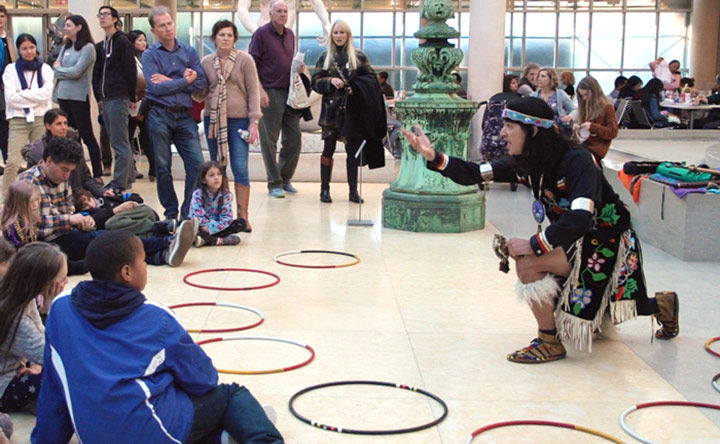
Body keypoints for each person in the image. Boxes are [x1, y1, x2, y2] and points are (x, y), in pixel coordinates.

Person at [402, 97, 679, 362]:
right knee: (604, 301)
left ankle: (548, 342)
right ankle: (662, 305)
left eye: (510, 127)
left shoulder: (578, 160)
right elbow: (474, 174)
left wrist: (534, 244)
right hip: (575, 238)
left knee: (529, 264)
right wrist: (434, 157)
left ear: (533, 130)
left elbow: (581, 217)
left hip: (606, 241)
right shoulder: (529, 162)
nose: (502, 134)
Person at [32, 230, 284, 443]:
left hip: (93, 434)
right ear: (127, 272)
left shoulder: (60, 309)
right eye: (144, 261)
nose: (147, 267)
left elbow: (54, 386)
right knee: (231, 395)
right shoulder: (156, 318)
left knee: (163, 389)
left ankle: (220, 437)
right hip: (149, 431)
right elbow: (204, 379)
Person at [16, 136, 195, 273]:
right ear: (48, 161)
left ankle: (160, 255)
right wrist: (71, 219)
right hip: (45, 244)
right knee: (104, 243)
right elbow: (30, 225)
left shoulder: (61, 179)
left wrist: (80, 219)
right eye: (64, 170)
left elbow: (68, 208)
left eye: (70, 171)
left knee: (108, 238)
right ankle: (166, 242)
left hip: (69, 231)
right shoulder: (27, 182)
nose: (67, 175)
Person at [142, 6, 206, 221]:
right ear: (154, 30)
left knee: (197, 165)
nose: (168, 28)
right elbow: (155, 88)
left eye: (170, 23)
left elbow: (200, 83)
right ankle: (170, 212)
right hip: (159, 114)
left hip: (185, 115)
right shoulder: (150, 54)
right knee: (162, 167)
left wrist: (172, 81)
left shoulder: (188, 51)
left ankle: (187, 214)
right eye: (162, 25)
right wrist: (185, 80)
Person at [196, 19, 260, 232]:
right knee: (218, 168)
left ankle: (243, 215)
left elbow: (253, 91)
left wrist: (254, 121)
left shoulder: (245, 60)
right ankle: (222, 213)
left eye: (229, 35)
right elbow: (200, 95)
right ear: (214, 38)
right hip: (213, 120)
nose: (225, 38)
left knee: (240, 167)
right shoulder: (206, 62)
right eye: (221, 34)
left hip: (239, 121)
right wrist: (191, 81)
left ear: (235, 39)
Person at [312, 20, 378, 204]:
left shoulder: (359, 57)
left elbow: (371, 81)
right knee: (328, 150)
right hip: (330, 113)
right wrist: (330, 82)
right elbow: (315, 82)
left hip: (352, 112)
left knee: (352, 152)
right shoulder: (324, 57)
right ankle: (324, 190)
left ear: (348, 35)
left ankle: (353, 191)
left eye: (342, 32)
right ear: (331, 35)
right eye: (336, 32)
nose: (339, 35)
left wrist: (355, 88)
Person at [0, 243, 67, 413]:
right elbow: (55, 355)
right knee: (66, 375)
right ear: (46, 284)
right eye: (62, 279)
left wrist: (37, 365)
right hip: (4, 385)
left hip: (18, 366)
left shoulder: (22, 296)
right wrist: (52, 308)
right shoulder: (15, 317)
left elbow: (40, 333)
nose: (66, 282)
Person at [249, 0, 303, 198]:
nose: (282, 14)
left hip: (289, 92)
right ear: (270, 13)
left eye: (285, 11)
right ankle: (274, 183)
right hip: (269, 92)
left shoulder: (290, 35)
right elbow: (251, 65)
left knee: (294, 137)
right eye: (278, 11)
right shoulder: (261, 34)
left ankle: (284, 177)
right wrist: (260, 91)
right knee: (269, 140)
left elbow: (287, 62)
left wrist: (298, 68)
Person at [2, 33, 53, 196]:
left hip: (40, 118)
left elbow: (46, 95)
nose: (29, 51)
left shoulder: (45, 69)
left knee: (39, 160)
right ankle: (6, 199)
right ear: (18, 50)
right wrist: (34, 95)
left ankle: (37, 196)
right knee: (13, 162)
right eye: (24, 48)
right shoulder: (11, 70)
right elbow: (11, 98)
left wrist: (22, 93)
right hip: (18, 119)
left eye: (31, 47)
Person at [53, 15, 103, 182]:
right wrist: (64, 71)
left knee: (86, 134)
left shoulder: (88, 48)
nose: (65, 28)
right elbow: (56, 67)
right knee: (69, 136)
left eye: (68, 25)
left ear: (79, 27)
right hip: (63, 95)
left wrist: (61, 70)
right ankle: (74, 172)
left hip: (79, 97)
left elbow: (77, 72)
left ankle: (97, 173)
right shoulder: (66, 46)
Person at [92, 6, 136, 193]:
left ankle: (119, 182)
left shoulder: (122, 41)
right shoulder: (102, 44)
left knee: (119, 142)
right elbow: (97, 73)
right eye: (100, 15)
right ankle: (129, 176)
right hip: (106, 97)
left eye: (106, 15)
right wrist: (98, 96)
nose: (102, 18)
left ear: (115, 19)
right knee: (118, 139)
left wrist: (132, 96)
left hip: (119, 96)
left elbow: (130, 69)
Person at [22, 109, 109, 200]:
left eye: (65, 123)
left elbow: (85, 178)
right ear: (48, 126)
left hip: (78, 197)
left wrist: (101, 191)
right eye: (58, 124)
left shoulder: (74, 146)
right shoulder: (38, 152)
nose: (63, 127)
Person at [189, 161, 247, 247]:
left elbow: (227, 218)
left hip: (217, 227)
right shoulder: (198, 194)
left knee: (241, 223)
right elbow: (196, 217)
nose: (216, 178)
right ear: (204, 180)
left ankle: (207, 240)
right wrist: (207, 227)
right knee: (191, 227)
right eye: (211, 175)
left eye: (219, 174)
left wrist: (211, 228)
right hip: (202, 227)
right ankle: (220, 240)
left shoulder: (226, 195)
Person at [127, 30, 155, 182]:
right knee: (129, 136)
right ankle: (131, 168)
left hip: (148, 102)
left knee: (148, 136)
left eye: (144, 40)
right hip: (133, 101)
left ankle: (154, 169)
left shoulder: (149, 57)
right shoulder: (129, 59)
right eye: (139, 40)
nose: (143, 43)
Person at [574, 76, 618, 161]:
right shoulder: (584, 106)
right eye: (582, 96)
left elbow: (613, 132)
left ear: (594, 92)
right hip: (584, 145)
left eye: (586, 95)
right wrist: (577, 127)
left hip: (595, 149)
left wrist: (592, 127)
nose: (584, 98)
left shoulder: (607, 107)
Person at [531, 67, 575, 132]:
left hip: (558, 130)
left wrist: (569, 117)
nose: (539, 79)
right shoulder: (533, 96)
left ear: (551, 79)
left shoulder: (560, 94)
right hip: (539, 131)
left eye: (543, 76)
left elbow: (574, 110)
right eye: (539, 76)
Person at [0, 5, 16, 173]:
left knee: (5, 127)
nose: (0, 19)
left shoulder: (8, 39)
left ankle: (6, 161)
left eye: (2, 16)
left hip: (6, 90)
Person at [1, 181, 39, 250]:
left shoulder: (27, 217)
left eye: (36, 200)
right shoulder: (15, 227)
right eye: (31, 202)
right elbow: (21, 253)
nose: (35, 205)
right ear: (18, 203)